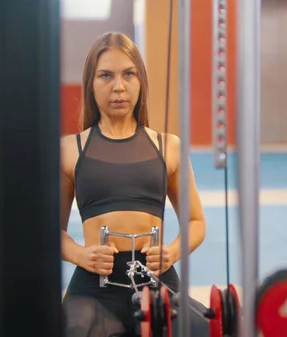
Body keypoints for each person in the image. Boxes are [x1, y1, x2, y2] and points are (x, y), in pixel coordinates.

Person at [59, 32, 210, 337]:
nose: (118, 86)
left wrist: (172, 252)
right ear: (91, 84)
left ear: (141, 81)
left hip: (156, 278)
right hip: (94, 287)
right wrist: (80, 254)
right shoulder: (69, 150)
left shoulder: (169, 147)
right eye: (106, 76)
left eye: (129, 74)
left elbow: (196, 222)